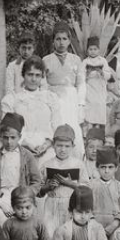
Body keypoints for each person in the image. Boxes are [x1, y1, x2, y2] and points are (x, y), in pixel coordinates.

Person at [1, 55, 62, 165]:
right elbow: (8, 128)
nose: (34, 79)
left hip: (47, 149)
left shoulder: (51, 98)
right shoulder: (13, 99)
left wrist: (48, 143)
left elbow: (57, 124)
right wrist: (25, 143)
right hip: (20, 148)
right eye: (30, 74)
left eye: (37, 75)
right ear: (23, 75)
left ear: (42, 77)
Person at [0, 112, 41, 226]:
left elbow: (37, 182)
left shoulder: (27, 156)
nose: (9, 142)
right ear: (0, 137)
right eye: (5, 138)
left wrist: (25, 196)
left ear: (19, 137)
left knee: (25, 223)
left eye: (13, 138)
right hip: (1, 197)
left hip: (23, 196)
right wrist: (1, 202)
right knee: (1, 220)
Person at [38, 124, 87, 240]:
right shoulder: (47, 164)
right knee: (50, 235)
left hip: (70, 205)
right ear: (53, 145)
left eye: (67, 146)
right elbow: (37, 190)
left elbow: (86, 189)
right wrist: (47, 187)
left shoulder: (78, 164)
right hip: (51, 205)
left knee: (68, 236)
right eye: (59, 145)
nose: (63, 149)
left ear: (73, 146)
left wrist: (71, 184)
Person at [43, 21, 85, 154]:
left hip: (71, 100)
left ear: (69, 41)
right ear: (53, 41)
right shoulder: (46, 60)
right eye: (58, 39)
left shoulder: (76, 60)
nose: (61, 42)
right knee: (55, 127)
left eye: (64, 39)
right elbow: (43, 84)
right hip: (53, 98)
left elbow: (81, 84)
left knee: (72, 129)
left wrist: (81, 105)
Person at [89, 148, 120, 237]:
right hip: (94, 225)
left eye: (110, 167)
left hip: (115, 227)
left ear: (116, 168)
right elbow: (86, 208)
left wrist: (114, 225)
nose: (106, 171)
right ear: (97, 167)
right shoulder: (91, 186)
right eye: (103, 167)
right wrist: (94, 225)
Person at [81, 35, 112, 134]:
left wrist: (102, 72)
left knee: (99, 112)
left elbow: (108, 75)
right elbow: (80, 76)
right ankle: (88, 133)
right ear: (87, 50)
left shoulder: (102, 61)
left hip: (100, 90)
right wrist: (87, 74)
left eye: (95, 49)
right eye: (90, 49)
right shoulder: (85, 62)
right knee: (89, 113)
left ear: (99, 50)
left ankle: (99, 132)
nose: (93, 51)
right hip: (89, 90)